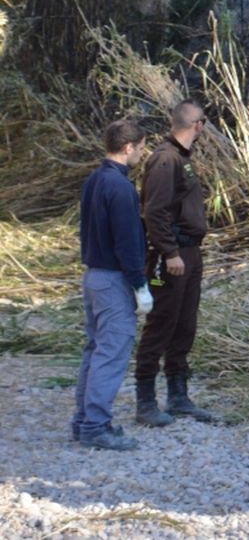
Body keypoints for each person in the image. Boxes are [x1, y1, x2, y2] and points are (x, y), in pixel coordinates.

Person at [72, 119, 155, 450]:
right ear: (128, 147)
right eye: (142, 147)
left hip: (93, 275)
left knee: (94, 350)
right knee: (111, 351)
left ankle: (83, 422)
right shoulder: (121, 188)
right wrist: (140, 285)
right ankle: (96, 426)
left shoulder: (95, 179)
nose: (142, 154)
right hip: (112, 279)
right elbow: (126, 242)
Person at [134, 99, 216, 426]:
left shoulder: (182, 158)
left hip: (190, 252)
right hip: (174, 256)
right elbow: (154, 211)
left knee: (185, 324)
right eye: (203, 123)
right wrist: (169, 252)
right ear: (197, 125)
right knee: (162, 322)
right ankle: (145, 401)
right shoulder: (165, 160)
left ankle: (178, 395)